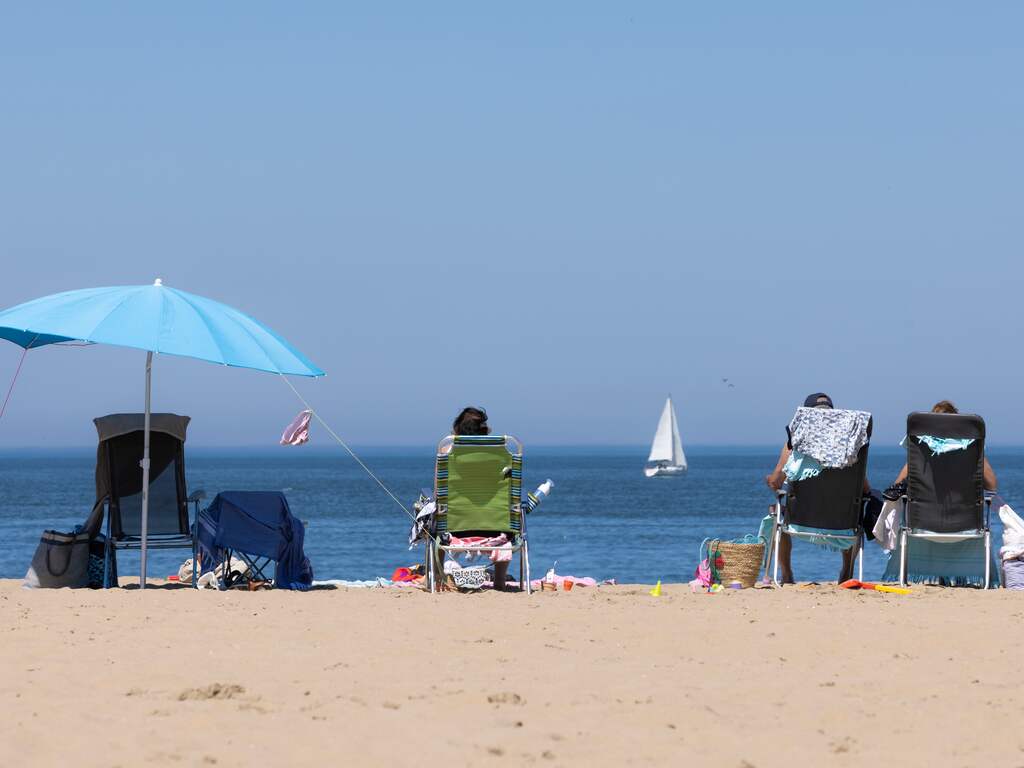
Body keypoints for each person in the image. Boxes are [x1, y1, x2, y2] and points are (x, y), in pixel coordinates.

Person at [764, 392, 871, 583]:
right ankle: (846, 572)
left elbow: (776, 481)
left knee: (776, 513)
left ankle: (787, 574)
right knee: (854, 511)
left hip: (801, 516)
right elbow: (864, 489)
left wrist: (771, 481)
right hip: (842, 520)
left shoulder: (794, 444)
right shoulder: (849, 445)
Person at [440, 407, 513, 590]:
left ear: (457, 429)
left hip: (454, 529)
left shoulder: (446, 450)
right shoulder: (502, 452)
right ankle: (499, 581)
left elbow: (438, 492)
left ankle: (436, 579)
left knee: (433, 513)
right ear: (484, 430)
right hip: (498, 530)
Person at [889, 400, 997, 491]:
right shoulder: (970, 446)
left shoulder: (921, 451)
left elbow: (897, 485)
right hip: (964, 514)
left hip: (923, 514)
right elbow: (992, 487)